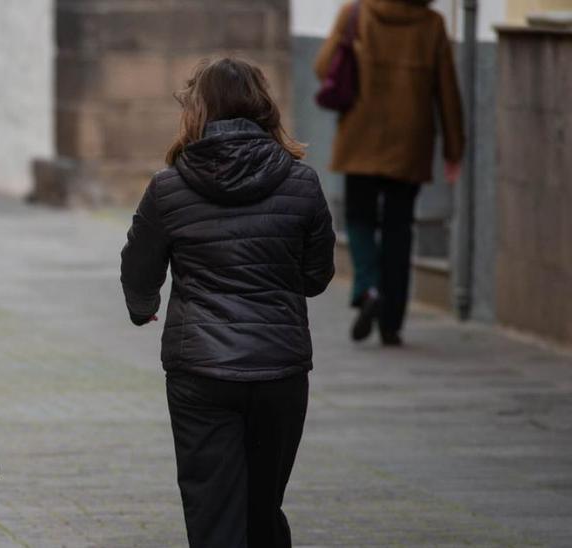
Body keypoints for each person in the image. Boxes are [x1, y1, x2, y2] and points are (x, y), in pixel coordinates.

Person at [120, 58, 335, 548]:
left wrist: (142, 305)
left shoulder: (169, 187)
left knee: (212, 510)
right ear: (263, 106)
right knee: (263, 508)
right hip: (279, 368)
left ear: (197, 111)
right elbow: (317, 276)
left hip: (201, 372)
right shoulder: (301, 183)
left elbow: (139, 266)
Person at [315, 0, 464, 346]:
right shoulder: (432, 24)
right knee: (399, 228)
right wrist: (454, 149)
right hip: (409, 142)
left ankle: (368, 287)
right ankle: (392, 322)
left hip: (360, 137)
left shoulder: (356, 13)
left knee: (358, 218)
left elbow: (323, 67)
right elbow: (447, 91)